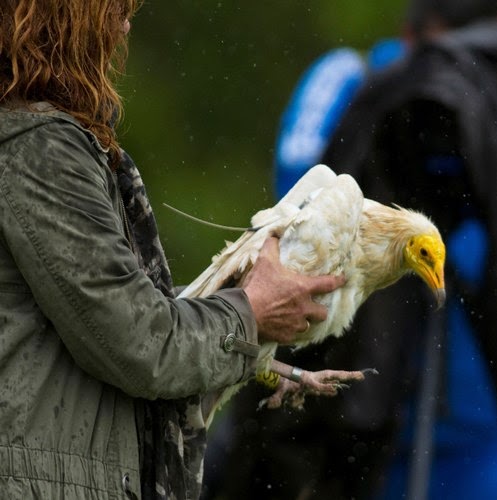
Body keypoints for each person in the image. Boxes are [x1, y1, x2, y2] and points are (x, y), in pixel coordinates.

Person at [203, 0, 497, 499]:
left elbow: (295, 191)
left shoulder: (349, 78)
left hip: (365, 416)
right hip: (494, 420)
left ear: (413, 30)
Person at [0, 1, 346, 499]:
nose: (124, 26)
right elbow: (135, 340)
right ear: (60, 17)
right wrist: (250, 314)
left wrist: (239, 314)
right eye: (113, 8)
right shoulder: (39, 148)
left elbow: (93, 320)